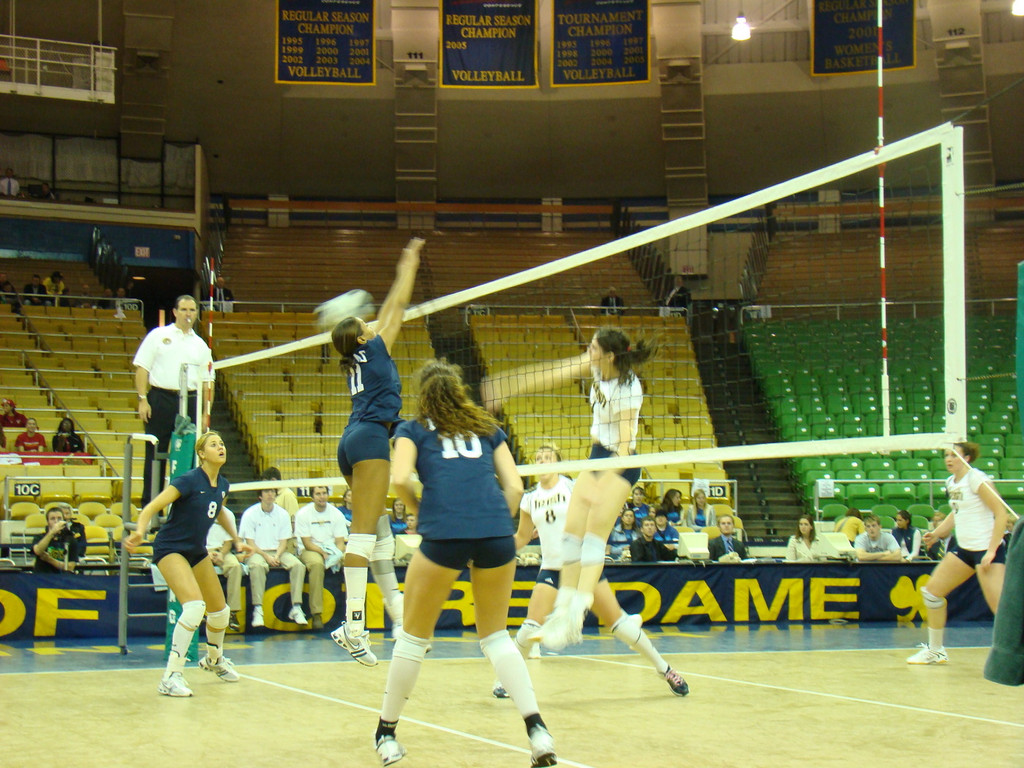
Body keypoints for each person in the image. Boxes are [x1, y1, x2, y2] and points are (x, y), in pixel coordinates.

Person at [378, 359, 556, 767]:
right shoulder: (487, 427)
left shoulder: (411, 429)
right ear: (459, 390)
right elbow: (516, 487)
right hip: (495, 533)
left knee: (413, 638)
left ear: (423, 394)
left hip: (445, 532)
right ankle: (538, 731)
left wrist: (421, 510)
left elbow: (400, 479)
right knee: (496, 636)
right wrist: (492, 521)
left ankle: (386, 735)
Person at [481, 325, 657, 651]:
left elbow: (624, 447)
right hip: (597, 456)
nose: (588, 352)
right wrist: (509, 386)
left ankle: (575, 615)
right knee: (570, 537)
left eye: (593, 348)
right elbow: (555, 372)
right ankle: (562, 611)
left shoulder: (628, 388)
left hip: (620, 464)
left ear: (610, 356)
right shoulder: (598, 365)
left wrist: (603, 482)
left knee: (593, 539)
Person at [498, 443, 688, 699]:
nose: (542, 462)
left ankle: (665, 669)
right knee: (530, 626)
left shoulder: (573, 487)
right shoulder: (529, 499)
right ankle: (505, 681)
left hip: (582, 567)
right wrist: (494, 549)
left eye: (548, 457)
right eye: (538, 458)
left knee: (619, 624)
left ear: (558, 462)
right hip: (552, 569)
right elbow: (521, 537)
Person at [329, 236, 423, 666]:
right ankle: (352, 626)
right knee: (363, 535)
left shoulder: (356, 358)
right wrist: (409, 262)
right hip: (369, 441)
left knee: (380, 533)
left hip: (352, 439)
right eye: (365, 324)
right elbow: (397, 305)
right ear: (362, 336)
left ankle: (399, 621)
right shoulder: (375, 347)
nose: (372, 324)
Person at [123, 431, 245, 696]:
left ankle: (214, 660)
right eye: (214, 444)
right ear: (202, 454)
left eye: (222, 443)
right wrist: (140, 531)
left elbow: (220, 512)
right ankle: (171, 676)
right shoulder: (189, 480)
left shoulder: (223, 484)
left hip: (195, 550)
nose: (221, 447)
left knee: (220, 612)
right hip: (170, 548)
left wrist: (236, 539)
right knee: (194, 607)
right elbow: (151, 507)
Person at [908, 442, 1009, 665]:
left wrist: (992, 550)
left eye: (954, 455)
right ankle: (936, 651)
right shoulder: (951, 482)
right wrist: (937, 534)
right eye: (946, 455)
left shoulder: (976, 479)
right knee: (932, 593)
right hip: (964, 550)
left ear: (967, 458)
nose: (949, 459)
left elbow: (1001, 513)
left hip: (986, 551)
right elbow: (956, 512)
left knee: (1001, 611)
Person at [133, 295, 214, 506]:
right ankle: (151, 506)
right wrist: (143, 399)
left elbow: (208, 383)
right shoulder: (158, 335)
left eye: (192, 310)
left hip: (191, 401)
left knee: (190, 455)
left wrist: (205, 413)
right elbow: (142, 368)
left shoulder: (201, 345)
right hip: (161, 399)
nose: (188, 314)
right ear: (175, 312)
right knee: (155, 452)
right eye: (184, 309)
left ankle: (185, 505)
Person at [238, 487, 308, 628]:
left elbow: (284, 542)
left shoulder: (282, 514)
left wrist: (277, 555)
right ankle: (258, 609)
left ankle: (296, 607)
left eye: (272, 492)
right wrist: (266, 557)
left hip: (279, 552)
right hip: (256, 552)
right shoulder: (250, 514)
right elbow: (250, 543)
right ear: (260, 496)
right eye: (266, 492)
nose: (270, 494)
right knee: (257, 566)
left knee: (298, 566)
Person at [294, 485, 349, 629]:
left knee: (352, 561)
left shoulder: (336, 514)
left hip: (332, 549)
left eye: (324, 493)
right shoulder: (303, 514)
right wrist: (322, 553)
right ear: (312, 497)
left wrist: (337, 554)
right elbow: (306, 543)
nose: (322, 496)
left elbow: (340, 542)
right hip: (310, 549)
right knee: (317, 564)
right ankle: (316, 614)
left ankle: (353, 609)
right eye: (318, 494)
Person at [206, 514, 244, 632]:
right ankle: (199, 610)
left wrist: (222, 554)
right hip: (202, 550)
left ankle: (232, 612)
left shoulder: (228, 514)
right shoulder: (198, 510)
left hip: (222, 551)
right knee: (195, 565)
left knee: (235, 566)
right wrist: (205, 553)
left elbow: (228, 542)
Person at [32, 506, 79, 573]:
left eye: (59, 518)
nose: (56, 521)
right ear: (48, 522)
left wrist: (49, 559)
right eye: (52, 519)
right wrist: (52, 532)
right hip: (42, 576)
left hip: (61, 577)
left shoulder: (71, 539)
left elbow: (70, 567)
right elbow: (38, 551)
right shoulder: (39, 537)